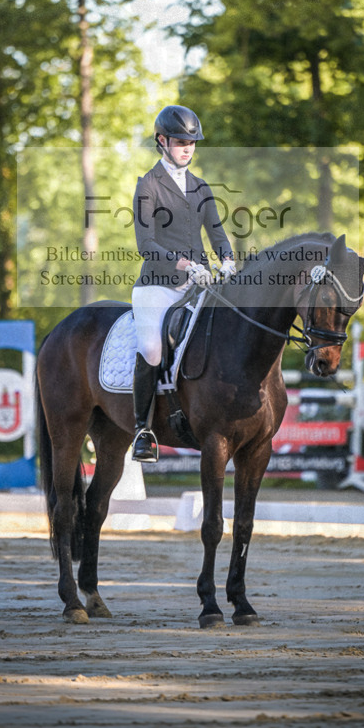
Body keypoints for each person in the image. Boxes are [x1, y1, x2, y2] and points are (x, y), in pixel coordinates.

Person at [130, 105, 236, 461]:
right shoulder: (148, 186)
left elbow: (217, 233)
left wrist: (229, 261)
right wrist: (186, 265)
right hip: (158, 285)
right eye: (179, 141)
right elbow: (146, 245)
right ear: (162, 141)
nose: (187, 148)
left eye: (192, 142)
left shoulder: (201, 187)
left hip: (199, 285)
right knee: (152, 349)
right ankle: (142, 430)